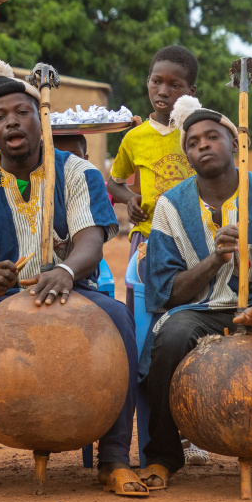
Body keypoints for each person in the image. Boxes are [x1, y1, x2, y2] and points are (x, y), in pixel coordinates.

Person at [0, 63, 145, 498]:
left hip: (70, 291)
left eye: (21, 112)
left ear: (40, 120)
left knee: (119, 318)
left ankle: (114, 459)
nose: (11, 122)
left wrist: (63, 270)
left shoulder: (77, 173)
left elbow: (90, 243)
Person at [139, 96, 252, 490]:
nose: (202, 145)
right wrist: (216, 258)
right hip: (200, 309)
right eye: (192, 142)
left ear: (237, 143)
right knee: (170, 336)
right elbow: (166, 292)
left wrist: (249, 257)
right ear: (187, 155)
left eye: (212, 137)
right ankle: (163, 455)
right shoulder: (171, 206)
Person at [107, 47, 198, 312]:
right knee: (143, 301)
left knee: (187, 301)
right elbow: (114, 182)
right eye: (156, 81)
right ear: (148, 81)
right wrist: (130, 199)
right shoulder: (135, 138)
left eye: (175, 85)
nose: (163, 91)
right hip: (147, 235)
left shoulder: (195, 131)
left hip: (192, 235)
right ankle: (140, 351)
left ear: (191, 91)